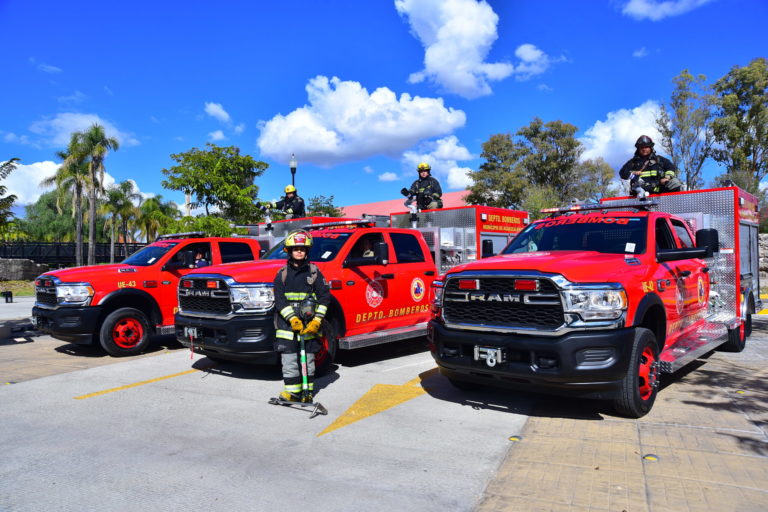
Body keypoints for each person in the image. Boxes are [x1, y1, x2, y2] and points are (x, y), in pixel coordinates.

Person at [273, 230, 331, 403]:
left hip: (310, 322)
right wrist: (292, 319)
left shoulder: (314, 272)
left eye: (303, 249)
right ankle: (292, 392)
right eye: (296, 248)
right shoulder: (282, 274)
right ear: (289, 251)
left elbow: (324, 297)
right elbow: (280, 300)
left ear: (307, 251)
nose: (299, 251)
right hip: (287, 324)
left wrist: (316, 321)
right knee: (289, 358)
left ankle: (308, 392)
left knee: (309, 358)